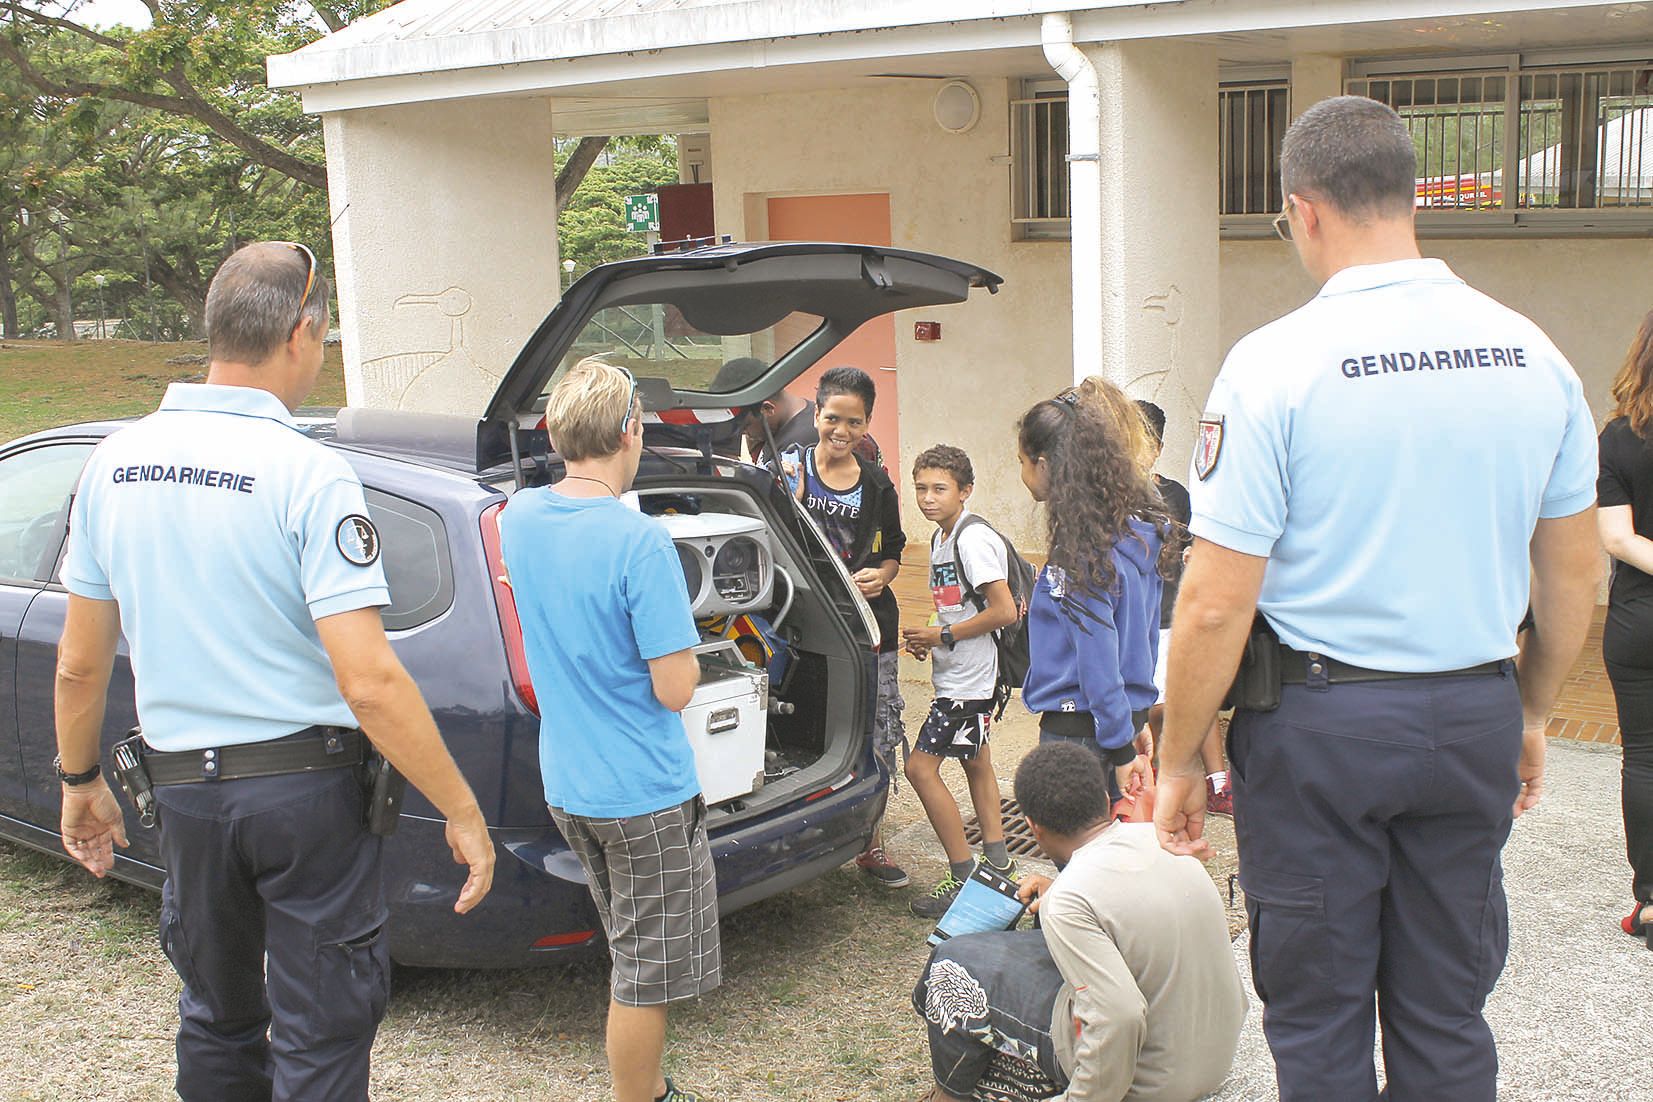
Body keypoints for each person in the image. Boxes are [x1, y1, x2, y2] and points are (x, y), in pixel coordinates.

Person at [1154, 96, 1602, 1102]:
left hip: (1323, 729)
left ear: (1301, 211)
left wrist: (1180, 754)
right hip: (1475, 707)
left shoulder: (1273, 366)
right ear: (1410, 199)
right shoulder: (1535, 354)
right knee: (1447, 1010)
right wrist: (1531, 706)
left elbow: (1216, 603)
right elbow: (1576, 572)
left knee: (1319, 1019)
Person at [53, 241, 495, 1102]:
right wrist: (459, 805)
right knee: (320, 1033)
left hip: (184, 795)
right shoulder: (308, 471)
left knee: (216, 1017)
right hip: (305, 800)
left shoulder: (113, 461)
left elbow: (79, 661)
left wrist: (79, 780)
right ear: (302, 331)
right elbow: (368, 681)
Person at [499, 357, 716, 1102]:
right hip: (641, 788)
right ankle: (641, 1095)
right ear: (632, 430)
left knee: (629, 945)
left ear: (556, 433)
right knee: (643, 972)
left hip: (571, 781)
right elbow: (674, 686)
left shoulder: (519, 517)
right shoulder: (640, 543)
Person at [911, 742, 1246, 1102]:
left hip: (1153, 1084)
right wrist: (1057, 891)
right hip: (1213, 1057)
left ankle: (949, 1095)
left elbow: (1120, 1017)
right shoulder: (1161, 842)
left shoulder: (1069, 898)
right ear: (1105, 800)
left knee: (950, 965)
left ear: (1033, 828)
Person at [783, 365, 909, 886]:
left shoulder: (877, 483)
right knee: (805, 725)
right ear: (816, 414)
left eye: (854, 423)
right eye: (832, 417)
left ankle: (870, 841)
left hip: (865, 628)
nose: (841, 431)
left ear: (867, 425)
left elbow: (894, 552)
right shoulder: (787, 472)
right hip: (801, 626)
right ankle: (802, 833)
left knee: (874, 730)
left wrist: (880, 575)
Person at [1017, 383, 1172, 801]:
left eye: (1022, 461)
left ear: (1045, 465)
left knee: (1077, 854)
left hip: (1080, 731)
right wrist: (1132, 725)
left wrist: (1121, 748)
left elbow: (1098, 658)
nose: (1023, 472)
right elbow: (1146, 639)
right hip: (1121, 720)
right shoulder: (1140, 536)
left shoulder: (1082, 553)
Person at [900, 445, 1021, 919]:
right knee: (976, 764)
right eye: (921, 488)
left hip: (971, 683)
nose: (928, 498)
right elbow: (958, 604)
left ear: (965, 491)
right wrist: (933, 637)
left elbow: (1003, 610)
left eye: (939, 489)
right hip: (959, 673)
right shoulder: (940, 538)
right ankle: (998, 863)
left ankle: (962, 873)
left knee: (919, 769)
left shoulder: (972, 540)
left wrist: (942, 634)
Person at [1133, 399, 1228, 816]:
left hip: (1176, 611)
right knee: (1151, 705)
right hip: (1140, 617)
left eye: (1143, 444)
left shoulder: (1177, 495)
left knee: (1195, 699)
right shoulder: (1110, 499)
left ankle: (1218, 782)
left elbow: (1199, 542)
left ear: (1158, 448)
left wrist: (1193, 554)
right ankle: (1152, 782)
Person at [1596, 306, 1653, 950]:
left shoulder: (1619, 435)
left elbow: (1617, 537)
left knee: (1643, 757)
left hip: (1639, 619)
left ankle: (1650, 904)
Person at [743, 372, 886, 472]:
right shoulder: (784, 426)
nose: (743, 432)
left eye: (745, 425)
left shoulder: (804, 443)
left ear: (767, 409)